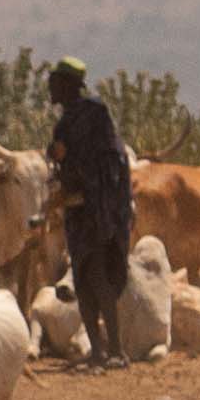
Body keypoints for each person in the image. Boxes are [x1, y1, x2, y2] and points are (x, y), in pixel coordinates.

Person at [47, 57, 136, 366]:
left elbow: (112, 159)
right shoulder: (64, 122)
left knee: (98, 274)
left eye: (56, 82)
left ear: (70, 86)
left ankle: (116, 350)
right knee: (82, 278)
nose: (50, 87)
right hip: (76, 212)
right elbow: (63, 161)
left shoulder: (95, 114)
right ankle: (97, 350)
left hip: (99, 209)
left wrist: (84, 180)